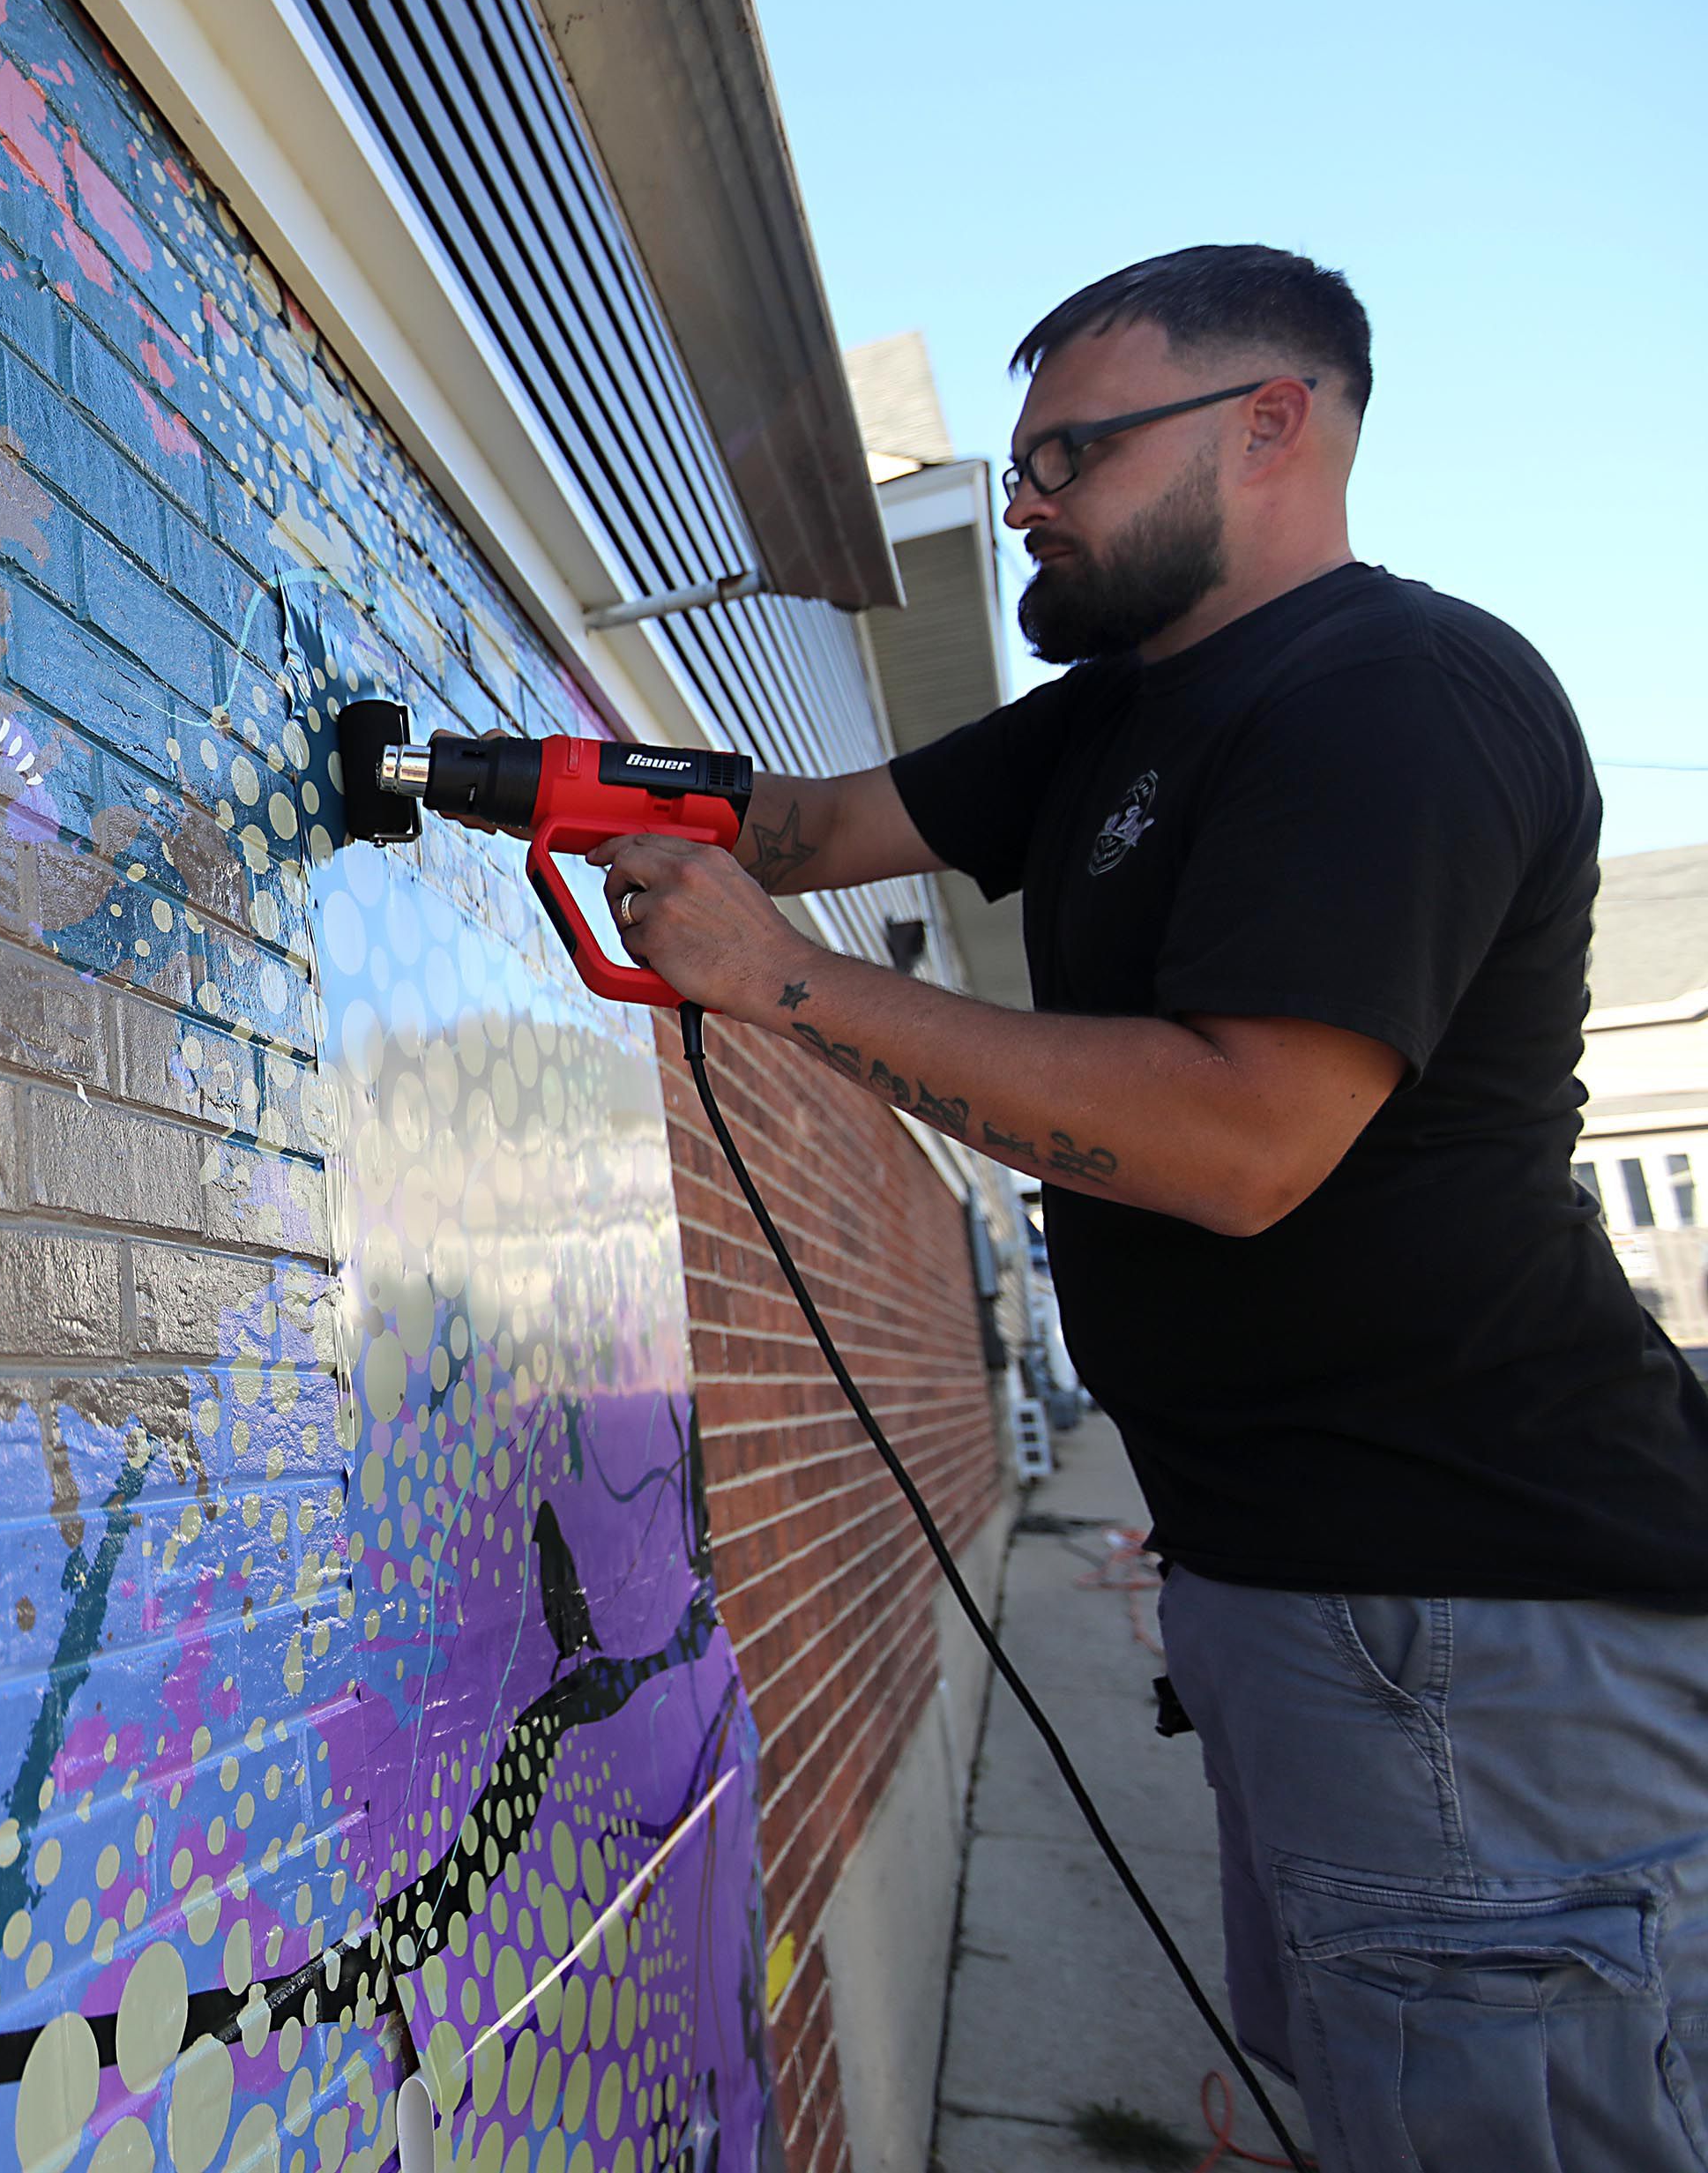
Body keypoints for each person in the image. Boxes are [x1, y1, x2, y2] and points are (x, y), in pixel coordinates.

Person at [596, 244, 1708, 2169]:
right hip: (1297, 1591)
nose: (1023, 500)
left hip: (1473, 1603)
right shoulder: (1114, 715)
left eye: (1070, 454)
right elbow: (806, 828)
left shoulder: (1399, 692)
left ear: (1272, 423)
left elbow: (1240, 1144)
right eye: (1020, 463)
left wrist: (777, 980)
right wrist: (520, 774)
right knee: (1388, 2091)